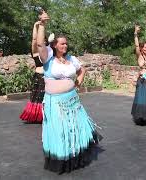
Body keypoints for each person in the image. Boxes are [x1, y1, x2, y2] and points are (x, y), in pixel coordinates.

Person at [37, 11, 101, 174]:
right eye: (61, 44)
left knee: (74, 129)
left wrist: (78, 82)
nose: (65, 46)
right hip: (56, 103)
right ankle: (62, 159)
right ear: (54, 45)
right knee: (60, 131)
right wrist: (42, 26)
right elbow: (39, 45)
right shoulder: (48, 59)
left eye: (66, 44)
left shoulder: (72, 59)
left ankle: (75, 156)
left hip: (72, 100)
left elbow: (82, 70)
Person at [19, 9, 53, 123]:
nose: (40, 41)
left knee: (46, 98)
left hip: (48, 76)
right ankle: (36, 116)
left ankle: (46, 115)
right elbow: (34, 40)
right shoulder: (36, 52)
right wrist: (36, 25)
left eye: (42, 39)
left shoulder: (49, 51)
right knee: (36, 97)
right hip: (39, 76)